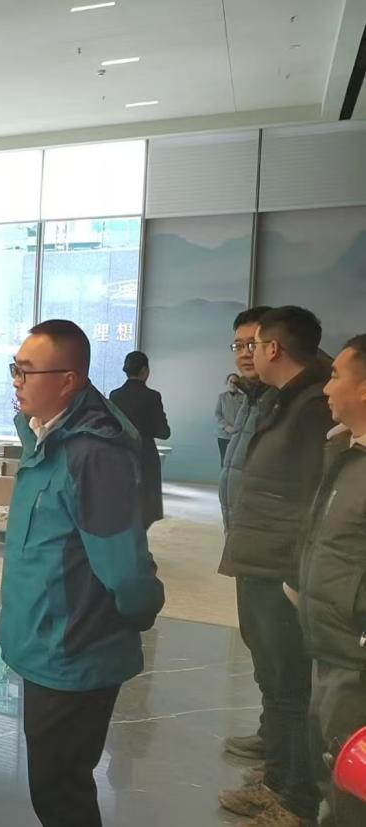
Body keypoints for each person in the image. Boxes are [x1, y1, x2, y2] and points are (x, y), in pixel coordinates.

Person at [0, 319, 164, 827]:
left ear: (68, 381)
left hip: (73, 654)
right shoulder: (44, 436)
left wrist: (135, 614)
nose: (16, 382)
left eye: (26, 372)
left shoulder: (93, 453)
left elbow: (127, 571)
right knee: (53, 787)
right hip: (46, 646)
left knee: (60, 793)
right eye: (14, 369)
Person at [218, 306, 333, 826]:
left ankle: (293, 798)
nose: (246, 354)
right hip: (257, 554)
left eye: (253, 344)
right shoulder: (277, 399)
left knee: (290, 685)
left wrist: (293, 574)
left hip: (279, 565)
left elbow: (312, 499)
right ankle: (277, 776)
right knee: (273, 676)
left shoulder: (309, 407)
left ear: (273, 348)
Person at [297, 334, 366, 827]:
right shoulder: (347, 452)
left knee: (353, 783)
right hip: (330, 642)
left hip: (355, 655)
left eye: (337, 375)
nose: (326, 387)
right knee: (334, 769)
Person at [218, 306, 274, 763]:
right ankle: (274, 735)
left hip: (272, 551)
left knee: (281, 653)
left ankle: (286, 765)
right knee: (261, 645)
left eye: (252, 344)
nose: (244, 353)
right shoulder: (253, 398)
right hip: (246, 540)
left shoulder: (287, 402)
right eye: (238, 345)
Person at [109, 350, 171, 528]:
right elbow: (164, 432)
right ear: (144, 370)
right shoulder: (153, 396)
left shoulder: (115, 395)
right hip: (145, 455)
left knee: (122, 504)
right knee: (146, 507)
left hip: (120, 454)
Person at [216, 372, 244, 462]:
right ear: (227, 382)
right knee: (225, 460)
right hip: (224, 435)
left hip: (239, 435)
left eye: (236, 382)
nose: (233, 384)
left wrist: (238, 429)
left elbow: (246, 415)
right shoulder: (222, 397)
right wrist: (226, 426)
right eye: (231, 381)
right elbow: (217, 414)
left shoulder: (244, 398)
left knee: (237, 462)